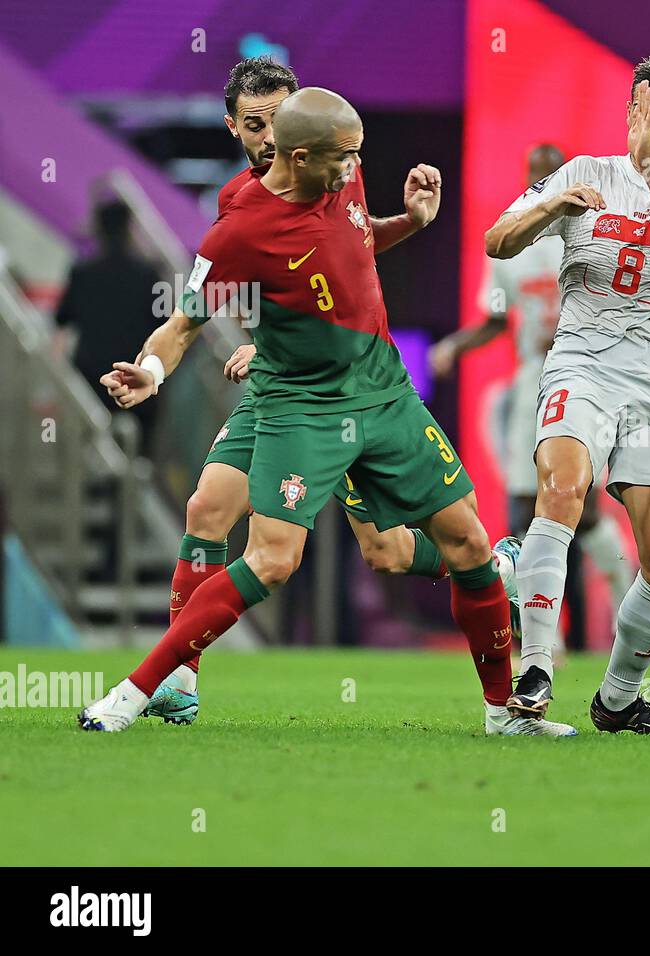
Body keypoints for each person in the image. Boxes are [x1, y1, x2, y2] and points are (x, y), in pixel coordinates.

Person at [79, 87, 572, 737]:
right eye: (344, 159)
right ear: (303, 156)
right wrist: (149, 370)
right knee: (271, 559)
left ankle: (504, 714)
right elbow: (185, 321)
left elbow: (355, 247)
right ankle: (140, 690)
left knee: (467, 543)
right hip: (304, 407)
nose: (354, 169)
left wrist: (414, 221)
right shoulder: (239, 229)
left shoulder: (344, 169)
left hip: (385, 392)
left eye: (357, 156)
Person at [484, 56, 650, 735]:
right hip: (583, 367)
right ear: (628, 111)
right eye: (643, 113)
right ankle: (536, 669)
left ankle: (620, 699)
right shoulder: (582, 174)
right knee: (562, 492)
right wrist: (548, 209)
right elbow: (496, 242)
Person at [433, 144, 632, 640]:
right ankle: (545, 635)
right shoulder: (514, 245)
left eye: (549, 176)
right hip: (532, 383)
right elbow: (498, 318)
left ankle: (627, 597)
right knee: (526, 508)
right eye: (533, 178)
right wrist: (456, 346)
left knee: (579, 508)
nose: (540, 186)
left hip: (588, 379)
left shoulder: (592, 229)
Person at [56, 200, 163, 447]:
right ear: (128, 227)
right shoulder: (148, 274)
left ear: (99, 228)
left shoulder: (82, 272)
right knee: (136, 446)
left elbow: (62, 318)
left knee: (89, 443)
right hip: (133, 372)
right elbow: (162, 325)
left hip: (90, 374)